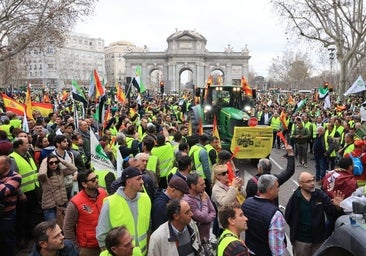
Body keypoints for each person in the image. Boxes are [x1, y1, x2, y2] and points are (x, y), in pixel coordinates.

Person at [285, 172, 345, 256]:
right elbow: (288, 216)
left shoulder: (319, 194)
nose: (312, 183)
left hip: (319, 239)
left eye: (313, 180)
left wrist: (337, 207)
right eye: (308, 181)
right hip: (301, 241)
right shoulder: (296, 198)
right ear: (301, 184)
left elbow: (331, 212)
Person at [96, 166, 151, 256]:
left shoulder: (146, 199)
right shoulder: (110, 203)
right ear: (128, 182)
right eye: (139, 179)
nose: (142, 182)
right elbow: (102, 235)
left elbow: (148, 229)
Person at [63, 169, 108, 256]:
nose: (97, 181)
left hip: (106, 243)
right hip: (88, 248)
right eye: (93, 180)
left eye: (96, 177)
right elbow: (67, 228)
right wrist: (76, 249)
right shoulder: (75, 202)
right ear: (84, 184)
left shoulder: (103, 193)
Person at [242, 174, 287, 256]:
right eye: (277, 187)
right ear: (270, 190)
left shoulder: (247, 203)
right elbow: (277, 249)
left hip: (249, 251)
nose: (279, 189)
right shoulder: (275, 215)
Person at [38, 154, 77, 221]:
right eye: (51, 163)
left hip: (62, 203)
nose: (54, 164)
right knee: (53, 228)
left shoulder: (60, 172)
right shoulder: (44, 176)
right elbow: (41, 174)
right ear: (47, 164)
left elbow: (74, 169)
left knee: (63, 225)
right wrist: (44, 161)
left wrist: (61, 160)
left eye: (56, 162)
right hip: (50, 207)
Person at [183, 172, 216, 242]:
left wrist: (204, 220)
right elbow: (202, 217)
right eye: (202, 185)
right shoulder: (188, 201)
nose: (205, 186)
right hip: (196, 240)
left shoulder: (204, 193)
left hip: (206, 237)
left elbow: (213, 212)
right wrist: (204, 201)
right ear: (193, 186)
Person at [0, 155, 22, 256]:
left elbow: (3, 192)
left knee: (7, 239)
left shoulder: (16, 177)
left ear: (7, 166)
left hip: (7, 214)